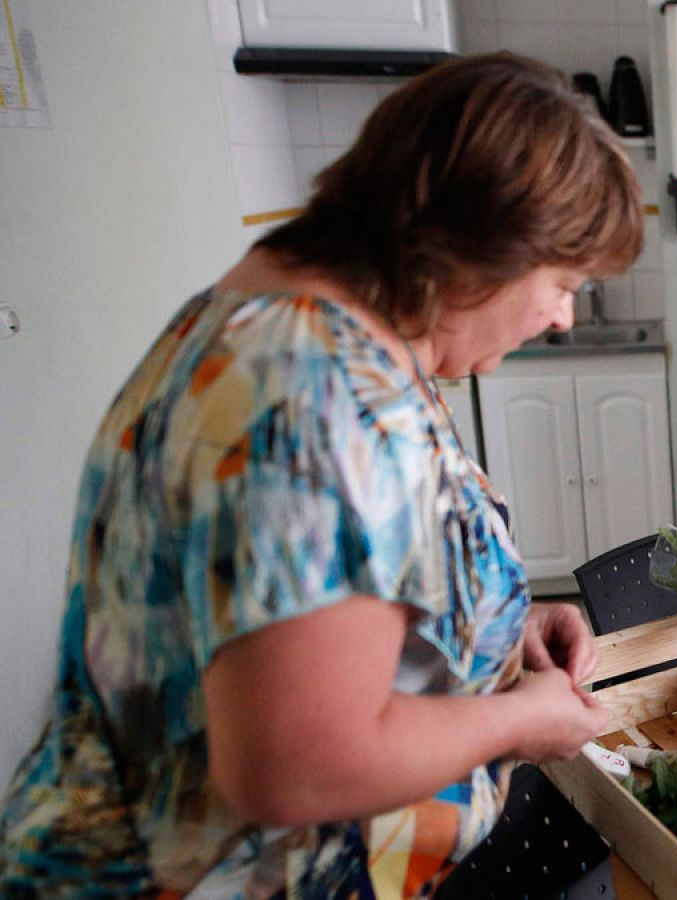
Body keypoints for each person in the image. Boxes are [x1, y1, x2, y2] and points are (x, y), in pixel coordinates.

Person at [0, 53, 639, 897]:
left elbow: (329, 590)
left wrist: (490, 629)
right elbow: (292, 766)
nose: (561, 317)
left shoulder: (302, 323)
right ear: (482, 248)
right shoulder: (316, 390)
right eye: (563, 283)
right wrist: (519, 718)